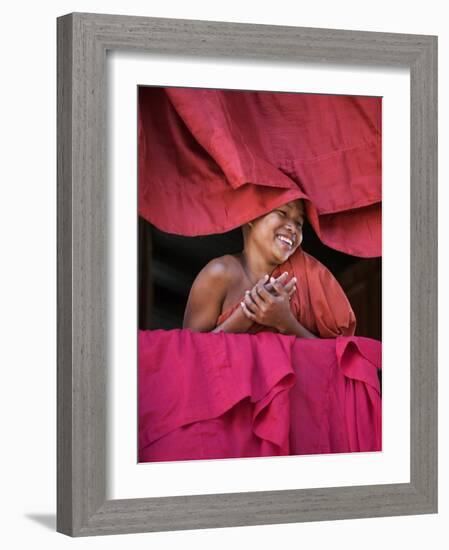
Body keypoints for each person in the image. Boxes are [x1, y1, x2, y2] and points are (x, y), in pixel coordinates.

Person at [183, 199, 356, 337]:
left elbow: (332, 362)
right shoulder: (219, 273)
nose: (292, 227)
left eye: (299, 223)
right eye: (282, 212)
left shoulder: (306, 276)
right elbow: (188, 358)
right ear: (251, 215)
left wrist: (286, 322)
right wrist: (245, 317)